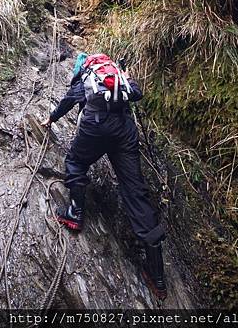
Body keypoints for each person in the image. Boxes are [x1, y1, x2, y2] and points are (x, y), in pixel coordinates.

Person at [41, 52, 167, 300]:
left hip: (95, 129)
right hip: (124, 132)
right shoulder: (116, 76)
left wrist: (52, 117)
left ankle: (75, 213)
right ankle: (158, 276)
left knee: (75, 162)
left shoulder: (86, 77)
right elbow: (137, 93)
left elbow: (70, 99)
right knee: (135, 192)